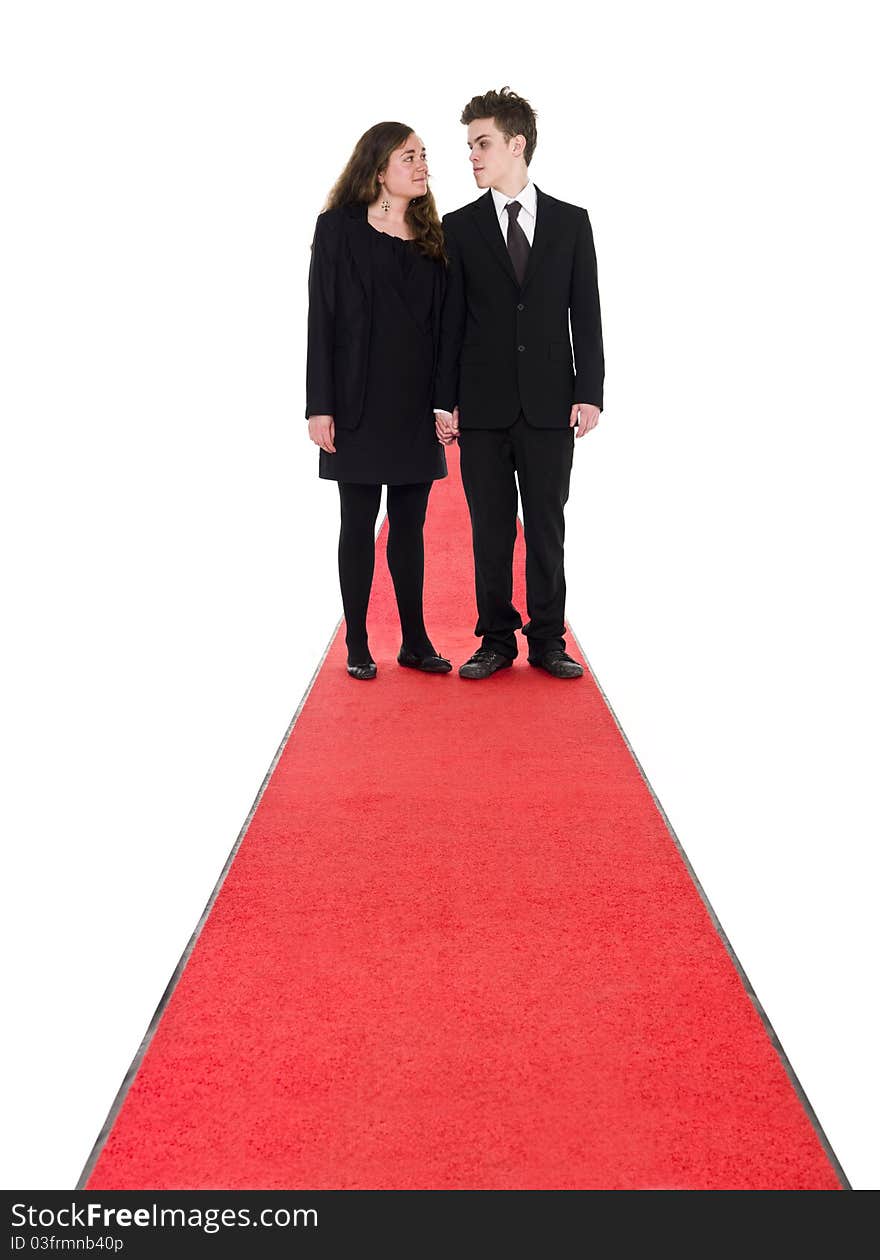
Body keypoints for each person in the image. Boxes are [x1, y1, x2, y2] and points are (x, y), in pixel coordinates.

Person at [434, 88, 604, 680]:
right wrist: (442, 399)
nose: (472, 156)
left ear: (516, 144)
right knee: (490, 530)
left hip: (551, 402)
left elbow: (586, 314)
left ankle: (549, 640)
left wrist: (590, 391)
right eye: (470, 146)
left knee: (547, 526)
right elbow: (450, 321)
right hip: (481, 406)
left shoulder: (571, 223)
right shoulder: (458, 228)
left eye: (482, 144)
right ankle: (496, 640)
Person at [306, 122, 452, 680]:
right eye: (409, 156)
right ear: (378, 168)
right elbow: (322, 318)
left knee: (410, 528)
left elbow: (445, 329)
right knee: (358, 523)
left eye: (423, 156)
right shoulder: (336, 229)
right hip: (356, 405)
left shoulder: (432, 232)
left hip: (414, 407)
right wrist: (320, 405)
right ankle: (359, 643)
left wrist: (447, 402)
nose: (422, 165)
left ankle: (414, 641)